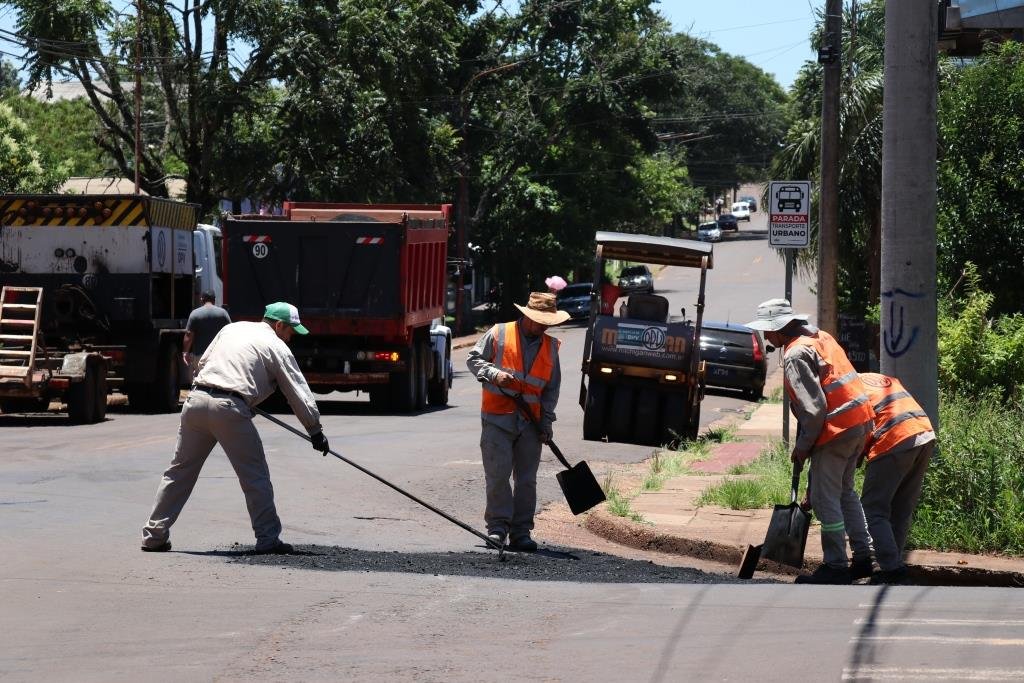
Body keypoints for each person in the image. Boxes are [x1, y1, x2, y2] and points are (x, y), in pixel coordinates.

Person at [140, 302, 329, 554]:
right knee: (255, 475)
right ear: (279, 325)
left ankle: (154, 536)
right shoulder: (276, 345)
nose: (290, 337)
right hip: (228, 407)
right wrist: (315, 430)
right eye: (290, 331)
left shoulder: (232, 329)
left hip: (196, 401)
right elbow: (296, 390)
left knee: (179, 471)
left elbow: (203, 363)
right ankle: (268, 538)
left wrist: (234, 393)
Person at [746, 298, 876, 584]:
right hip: (860, 423)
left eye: (767, 330)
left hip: (836, 431)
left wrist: (803, 447)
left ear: (778, 328)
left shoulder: (795, 354)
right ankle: (864, 557)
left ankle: (836, 566)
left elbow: (814, 411)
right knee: (845, 492)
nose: (766, 337)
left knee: (824, 499)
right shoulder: (820, 337)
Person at [466, 292, 569, 552]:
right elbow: (473, 359)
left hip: (530, 425)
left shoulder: (550, 347)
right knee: (498, 476)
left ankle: (521, 533)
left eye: (548, 323)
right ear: (527, 316)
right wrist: (493, 374)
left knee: (526, 481)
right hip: (497, 419)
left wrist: (546, 424)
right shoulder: (499, 333)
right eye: (540, 322)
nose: (544, 327)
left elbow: (551, 390)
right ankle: (497, 529)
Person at [858, 373, 935, 584]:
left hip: (894, 438)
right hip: (924, 433)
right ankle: (895, 566)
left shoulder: (848, 389)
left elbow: (856, 430)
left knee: (873, 508)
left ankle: (890, 567)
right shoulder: (876, 378)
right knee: (901, 508)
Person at [182, 290, 231, 376]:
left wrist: (185, 352)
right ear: (214, 300)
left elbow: (189, 335)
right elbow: (230, 332)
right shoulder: (223, 313)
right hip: (218, 356)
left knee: (200, 379)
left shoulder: (195, 314)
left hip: (200, 357)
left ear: (201, 299)